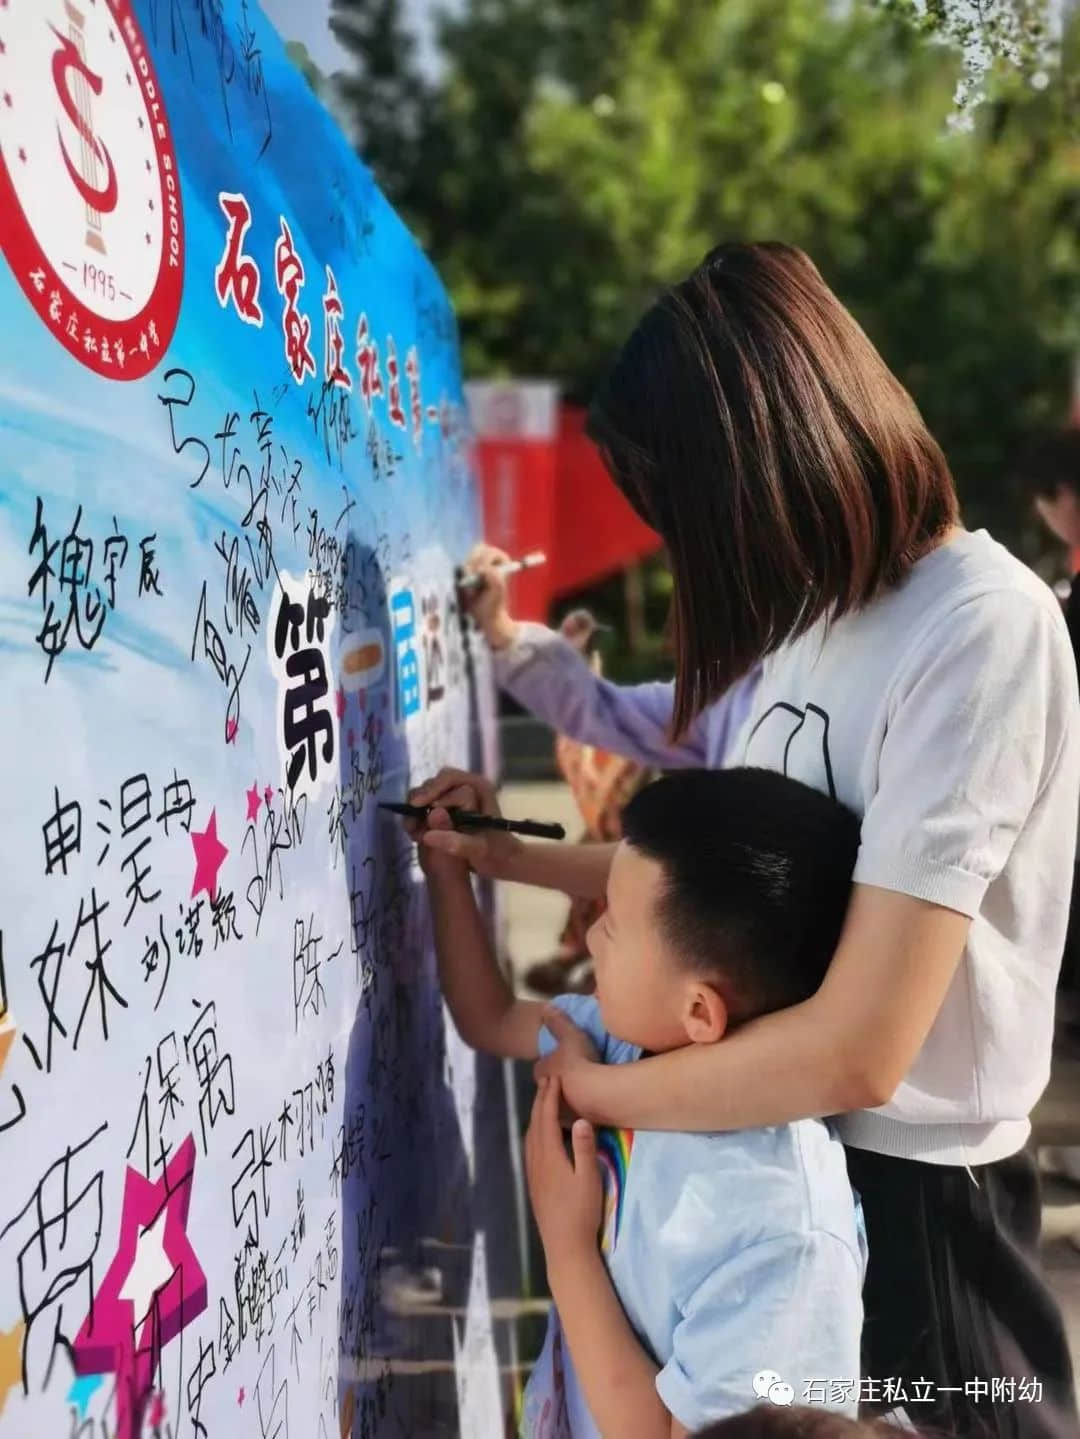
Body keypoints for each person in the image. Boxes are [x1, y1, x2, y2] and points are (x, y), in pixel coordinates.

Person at [417, 242, 1080, 1438]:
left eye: (689, 515)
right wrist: (497, 851)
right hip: (770, 1151)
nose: (691, 555)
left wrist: (603, 1090)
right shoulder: (819, 625)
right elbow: (701, 890)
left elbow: (861, 1050)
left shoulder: (980, 628)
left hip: (917, 1214)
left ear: (766, 469)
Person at [408, 767, 867, 1436]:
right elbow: (492, 1014)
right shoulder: (633, 1043)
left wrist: (565, 1241)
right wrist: (448, 872)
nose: (588, 937)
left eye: (614, 926)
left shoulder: (779, 1235)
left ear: (701, 1010)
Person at [526, 608, 656, 997]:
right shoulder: (574, 735)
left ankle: (585, 960)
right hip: (613, 845)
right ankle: (578, 955)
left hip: (633, 848)